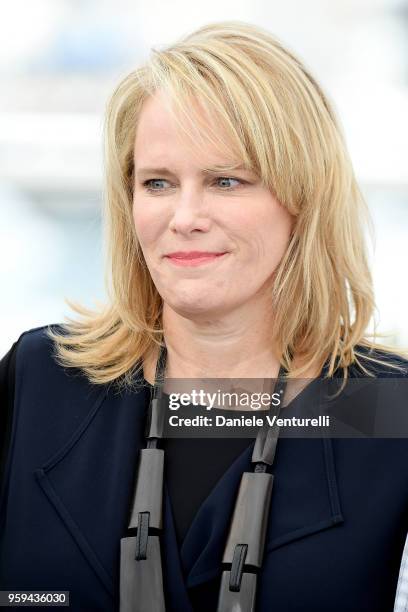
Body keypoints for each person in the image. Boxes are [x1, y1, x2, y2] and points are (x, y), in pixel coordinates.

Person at [1, 20, 408, 612]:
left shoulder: (387, 414)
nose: (185, 215)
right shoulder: (40, 381)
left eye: (226, 180)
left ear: (302, 199)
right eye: (158, 182)